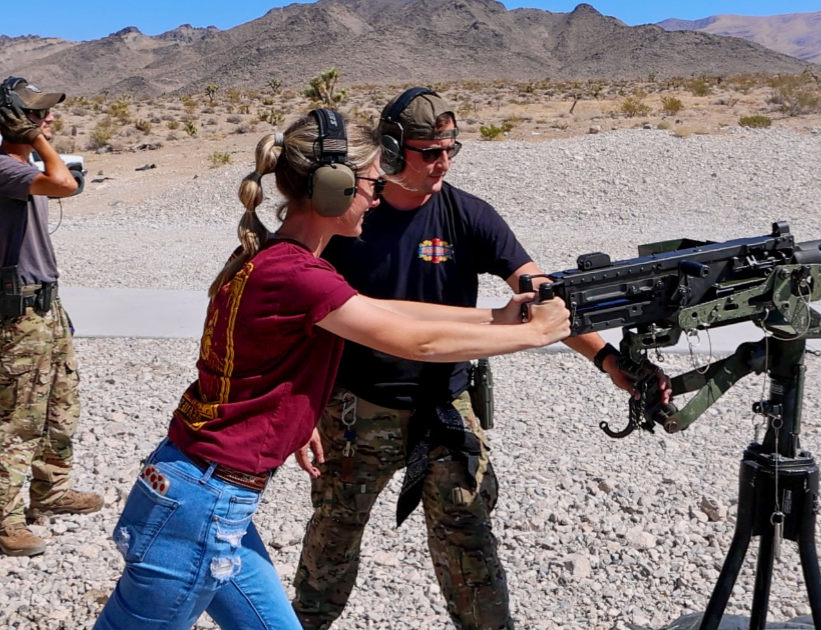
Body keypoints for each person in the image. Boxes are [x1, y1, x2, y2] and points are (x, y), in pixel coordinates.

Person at [90, 109, 571, 630]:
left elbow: (384, 311)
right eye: (369, 182)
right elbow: (417, 340)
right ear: (332, 189)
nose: (377, 194)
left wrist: (494, 317)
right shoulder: (299, 275)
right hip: (202, 506)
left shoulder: (283, 260)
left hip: (206, 497)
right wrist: (534, 334)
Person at [292, 89, 669, 630]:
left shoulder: (469, 215)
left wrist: (610, 362)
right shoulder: (349, 220)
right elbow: (309, 317)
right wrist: (303, 407)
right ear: (394, 150)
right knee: (332, 539)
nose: (442, 162)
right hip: (357, 413)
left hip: (446, 407)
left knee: (469, 540)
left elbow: (541, 297)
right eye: (429, 151)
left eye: (451, 148)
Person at [0, 76, 101, 557]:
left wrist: (32, 137)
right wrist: (35, 137)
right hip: (18, 316)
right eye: (37, 113)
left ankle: (51, 491)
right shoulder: (3, 168)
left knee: (61, 410)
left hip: (45, 307)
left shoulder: (20, 167)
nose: (49, 120)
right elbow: (66, 184)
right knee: (17, 421)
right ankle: (6, 520)